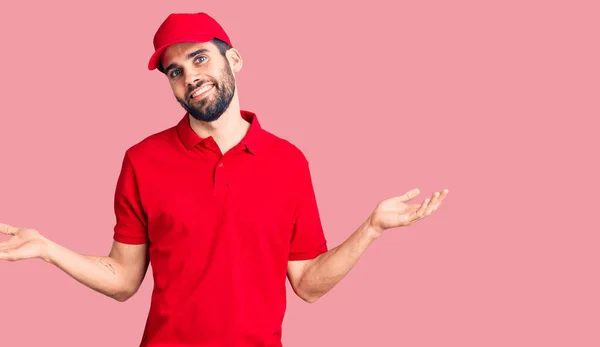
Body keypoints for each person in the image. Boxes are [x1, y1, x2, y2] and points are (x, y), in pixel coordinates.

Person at [0, 12, 449, 347]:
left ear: (232, 59)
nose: (189, 77)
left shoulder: (289, 162)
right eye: (174, 71)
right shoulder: (142, 160)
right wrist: (46, 249)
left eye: (199, 58)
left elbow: (308, 282)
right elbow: (123, 278)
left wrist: (370, 229)